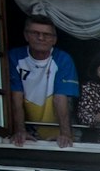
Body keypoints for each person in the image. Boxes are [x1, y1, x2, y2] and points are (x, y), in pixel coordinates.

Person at [5, 14, 77, 147]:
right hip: (29, 128)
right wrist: (20, 130)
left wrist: (65, 134)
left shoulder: (63, 59)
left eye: (47, 34)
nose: (41, 38)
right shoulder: (14, 56)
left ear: (54, 39)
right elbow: (16, 97)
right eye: (35, 33)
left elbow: (60, 97)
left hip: (59, 128)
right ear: (26, 36)